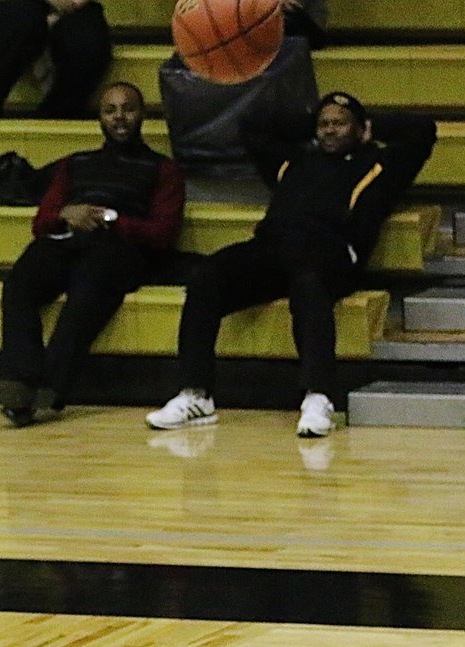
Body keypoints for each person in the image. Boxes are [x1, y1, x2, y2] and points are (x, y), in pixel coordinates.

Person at [146, 92, 436, 437]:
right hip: (272, 248)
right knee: (206, 275)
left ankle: (318, 397)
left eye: (339, 123)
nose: (330, 130)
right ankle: (196, 394)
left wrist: (367, 124)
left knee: (308, 284)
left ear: (360, 129)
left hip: (331, 253)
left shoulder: (382, 166)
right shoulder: (293, 161)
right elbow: (252, 125)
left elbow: (423, 129)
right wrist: (314, 120)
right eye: (324, 124)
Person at [0, 81, 185, 427]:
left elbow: (163, 233)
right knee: (20, 282)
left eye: (128, 109)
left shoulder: (163, 169)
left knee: (88, 287)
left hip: (121, 248)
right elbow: (42, 222)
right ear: (100, 118)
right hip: (69, 240)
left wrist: (112, 221)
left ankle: (50, 386)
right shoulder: (75, 164)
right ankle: (19, 379)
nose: (120, 117)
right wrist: (67, 214)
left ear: (143, 115)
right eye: (111, 110)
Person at [0, 0, 111, 122]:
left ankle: (55, 115)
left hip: (68, 8)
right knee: (27, 18)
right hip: (1, 8)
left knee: (89, 41)